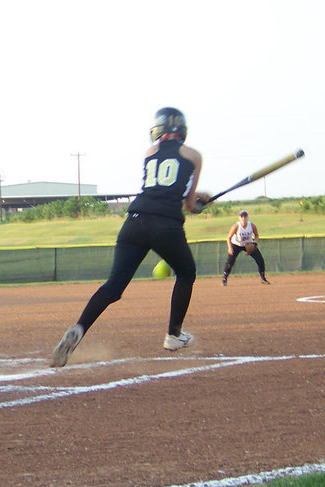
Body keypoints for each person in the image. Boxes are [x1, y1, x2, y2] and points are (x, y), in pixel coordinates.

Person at [52, 107, 210, 367]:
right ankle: (173, 334)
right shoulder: (194, 156)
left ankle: (79, 329)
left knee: (113, 286)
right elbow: (190, 204)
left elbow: (161, 188)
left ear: (157, 129)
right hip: (166, 225)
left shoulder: (150, 153)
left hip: (134, 221)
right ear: (182, 129)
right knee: (186, 273)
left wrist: (189, 199)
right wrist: (201, 200)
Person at [222, 210, 270, 286]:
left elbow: (257, 235)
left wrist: (254, 242)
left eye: (245, 217)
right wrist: (230, 248)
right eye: (242, 217)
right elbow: (228, 238)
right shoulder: (236, 226)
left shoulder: (252, 226)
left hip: (248, 244)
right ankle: (224, 278)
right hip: (236, 245)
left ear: (247, 217)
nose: (243, 218)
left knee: (260, 260)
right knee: (229, 262)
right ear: (239, 218)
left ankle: (263, 278)